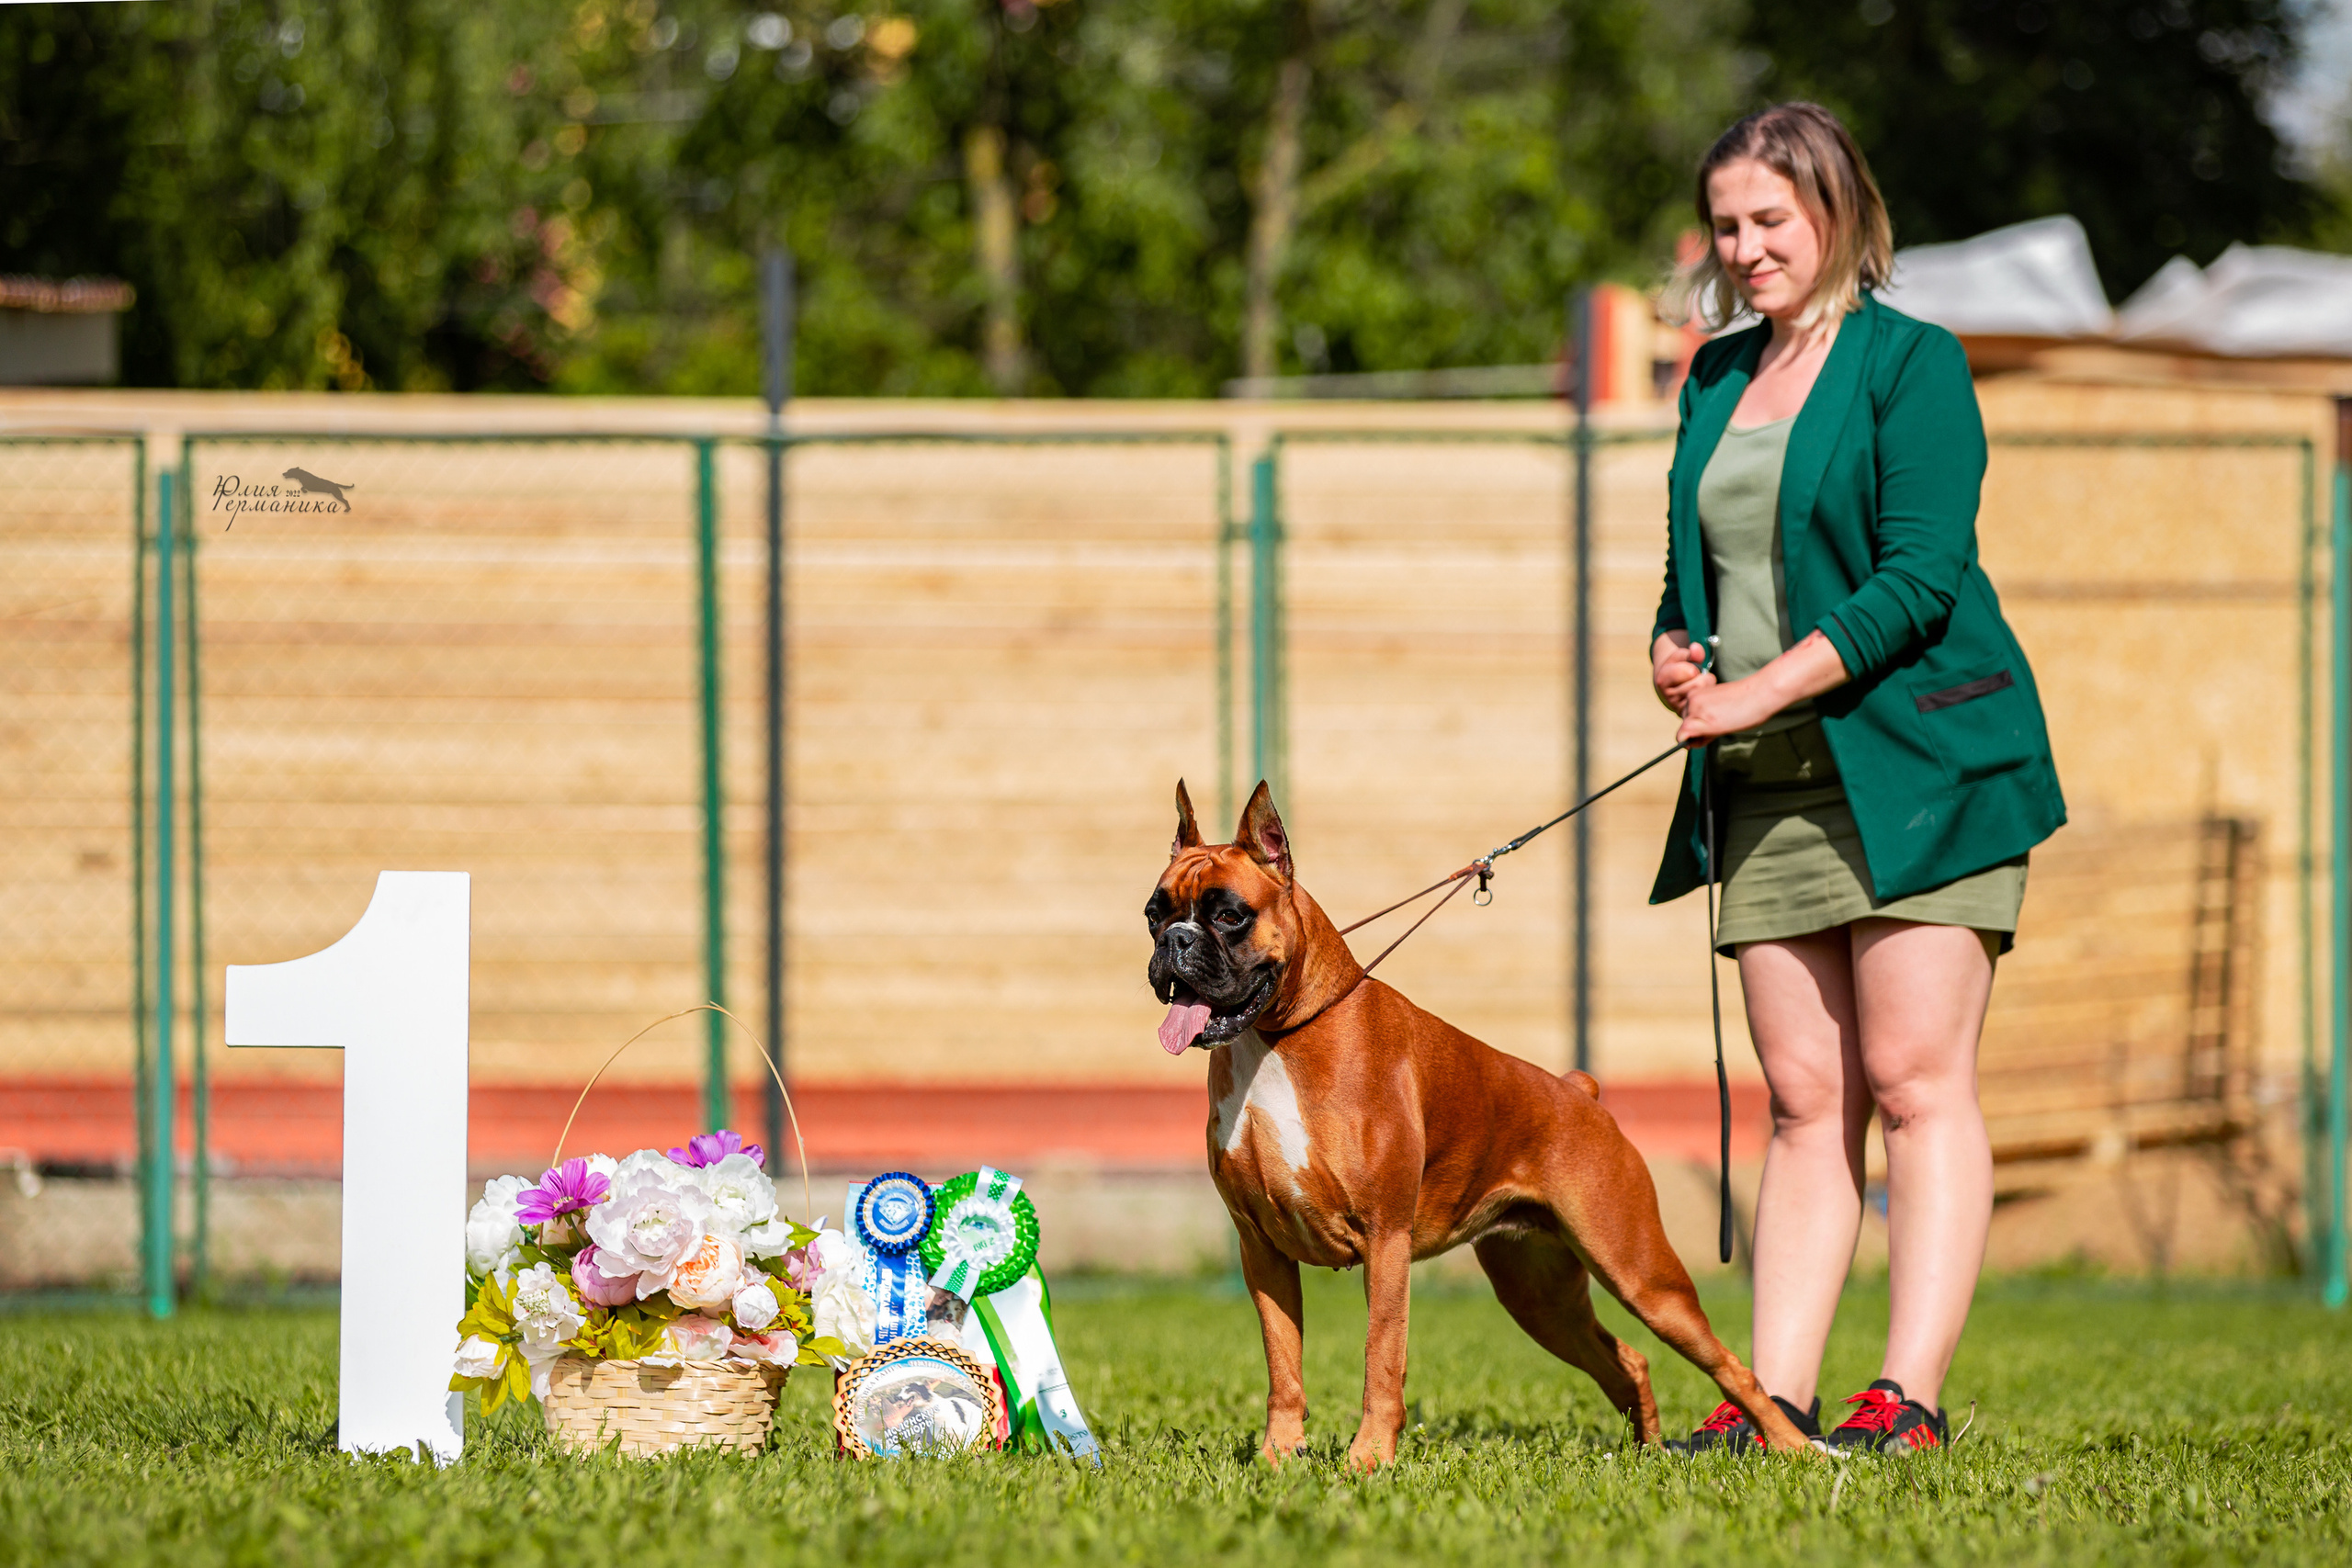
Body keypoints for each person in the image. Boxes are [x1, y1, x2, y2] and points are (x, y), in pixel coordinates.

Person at [1646, 102, 2065, 1456]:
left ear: (1837, 213)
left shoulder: (1911, 366)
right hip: (1769, 781)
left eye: (1771, 219)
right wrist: (1677, 646)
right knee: (1804, 1100)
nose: (1748, 246)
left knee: (1912, 1079)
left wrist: (1757, 689)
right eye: (1728, 225)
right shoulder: (1712, 377)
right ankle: (1772, 1397)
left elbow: (1919, 577)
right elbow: (1699, 562)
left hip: (1926, 767)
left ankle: (1912, 1399)